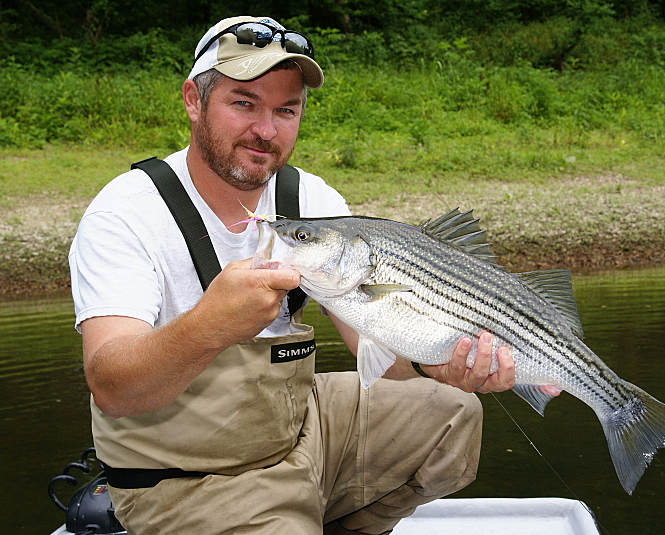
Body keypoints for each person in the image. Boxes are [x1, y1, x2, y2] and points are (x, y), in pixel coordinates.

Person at [69, 15, 518, 535]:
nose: (266, 130)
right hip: (186, 478)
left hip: (297, 434)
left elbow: (379, 351)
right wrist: (210, 323)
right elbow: (113, 388)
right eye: (244, 103)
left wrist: (439, 364)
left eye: (287, 110)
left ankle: (336, 522)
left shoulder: (310, 200)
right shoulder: (126, 214)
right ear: (194, 100)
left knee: (451, 412)